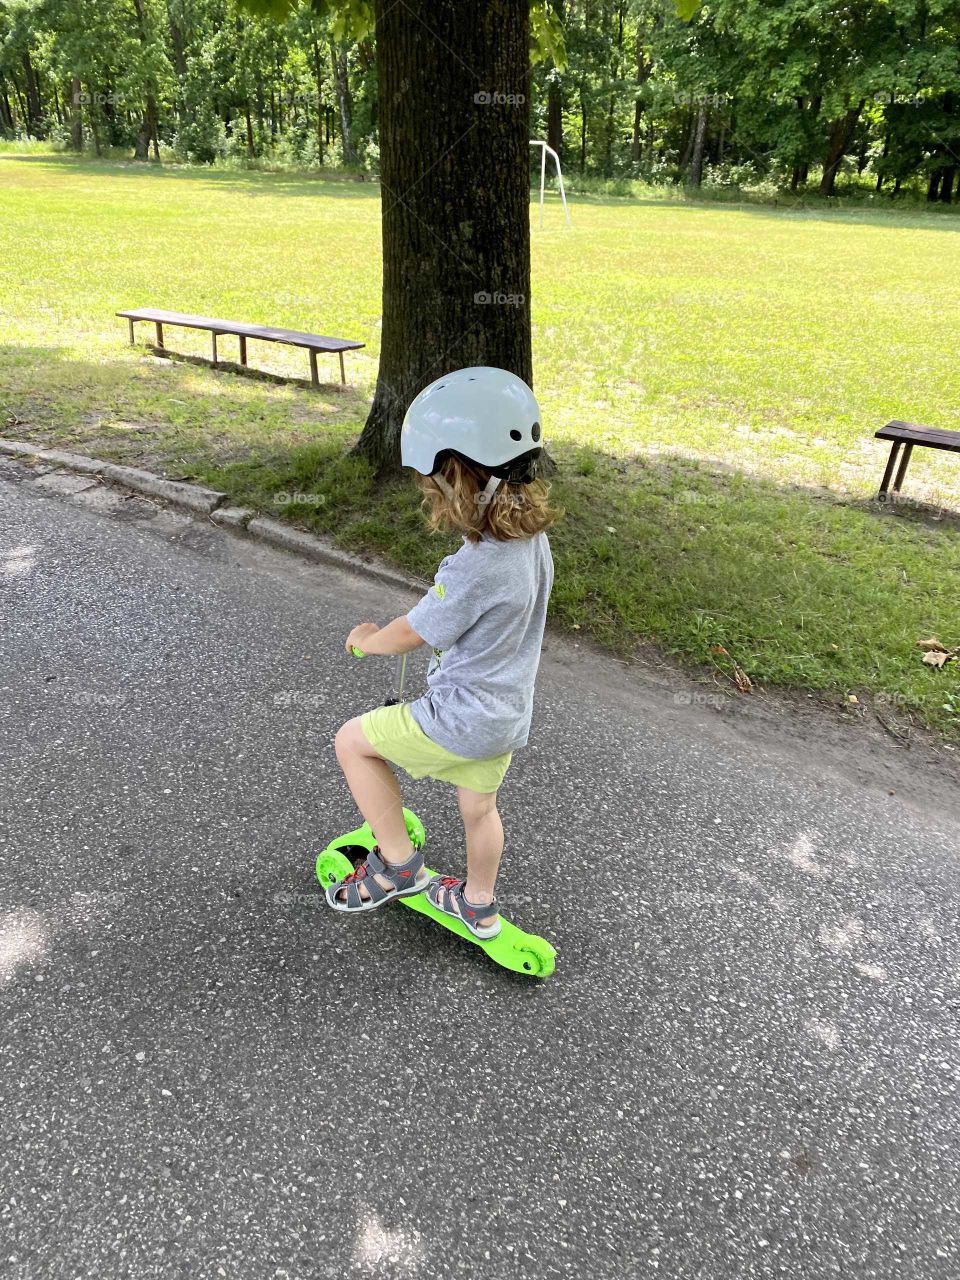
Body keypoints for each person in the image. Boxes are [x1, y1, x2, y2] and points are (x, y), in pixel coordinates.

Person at [326, 366, 557, 939]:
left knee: (353, 743)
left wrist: (367, 640)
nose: (433, 498)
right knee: (479, 809)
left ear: (458, 476)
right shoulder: (530, 540)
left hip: (458, 716)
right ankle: (478, 905)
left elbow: (416, 631)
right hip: (504, 716)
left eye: (434, 487)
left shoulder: (477, 564)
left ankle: (399, 868)